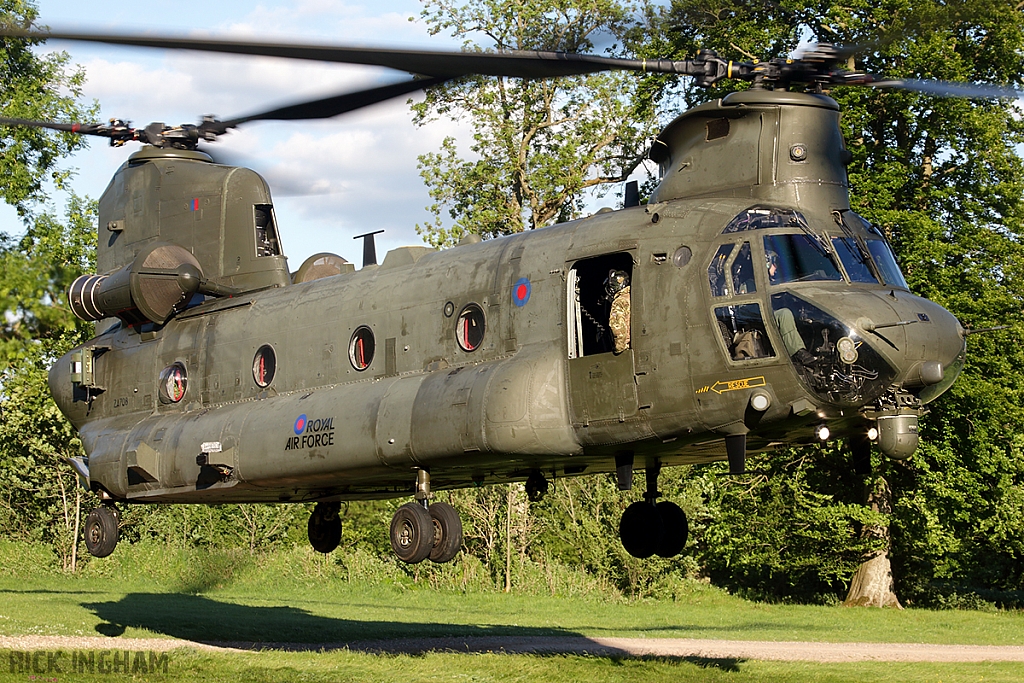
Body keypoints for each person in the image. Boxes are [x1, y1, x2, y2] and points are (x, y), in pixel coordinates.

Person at [766, 251, 817, 367]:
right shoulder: (751, 283)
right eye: (774, 264)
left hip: (771, 312)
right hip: (760, 316)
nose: (776, 267)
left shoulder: (775, 281)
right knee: (785, 314)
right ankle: (797, 352)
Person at [605, 269, 630, 354]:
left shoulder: (619, 301)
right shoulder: (630, 297)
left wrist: (619, 348)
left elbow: (617, 326)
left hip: (626, 348)